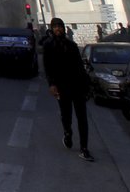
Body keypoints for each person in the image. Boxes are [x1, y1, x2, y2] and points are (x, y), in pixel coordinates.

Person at [43, 17, 94, 162]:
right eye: (55, 26)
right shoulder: (49, 45)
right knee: (66, 115)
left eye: (60, 26)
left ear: (64, 28)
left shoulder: (72, 45)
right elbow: (48, 67)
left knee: (82, 118)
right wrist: (52, 84)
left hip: (77, 85)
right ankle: (67, 132)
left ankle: (84, 148)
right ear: (52, 29)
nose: (58, 29)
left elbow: (79, 66)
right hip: (61, 86)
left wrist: (87, 85)